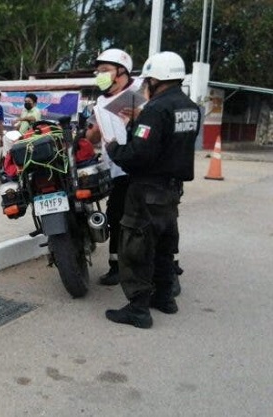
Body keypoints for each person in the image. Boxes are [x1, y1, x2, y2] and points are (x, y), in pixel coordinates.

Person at [104, 51, 200, 328]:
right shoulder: (189, 107)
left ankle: (138, 310)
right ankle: (165, 298)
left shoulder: (157, 109)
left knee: (137, 248)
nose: (145, 85)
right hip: (171, 191)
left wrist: (114, 147)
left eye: (148, 79)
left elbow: (138, 154)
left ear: (156, 79)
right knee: (164, 247)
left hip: (146, 189)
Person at [86, 48, 143, 287]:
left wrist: (139, 115)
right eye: (99, 71)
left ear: (121, 72)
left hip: (138, 169)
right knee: (116, 216)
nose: (101, 75)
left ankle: (158, 267)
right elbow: (90, 138)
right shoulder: (100, 102)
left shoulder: (138, 93)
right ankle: (116, 265)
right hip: (116, 170)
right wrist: (95, 130)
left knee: (141, 219)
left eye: (106, 70)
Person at [1, 93, 42, 157]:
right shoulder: (24, 110)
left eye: (29, 101)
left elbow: (33, 118)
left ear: (34, 103)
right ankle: (7, 156)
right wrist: (14, 129)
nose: (26, 103)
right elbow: (20, 124)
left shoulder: (36, 110)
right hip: (20, 134)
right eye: (25, 101)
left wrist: (20, 119)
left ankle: (8, 156)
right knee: (6, 136)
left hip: (30, 136)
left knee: (9, 140)